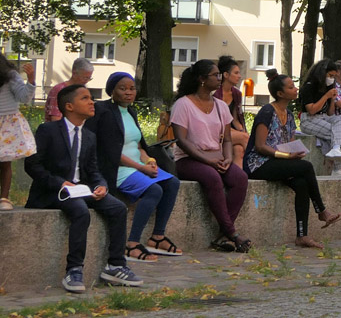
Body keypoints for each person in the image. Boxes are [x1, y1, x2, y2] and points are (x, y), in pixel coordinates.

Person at [25, 84, 143, 292]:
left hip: (81, 189)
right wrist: (60, 183)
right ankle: (74, 270)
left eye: (92, 98)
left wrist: (101, 186)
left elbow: (93, 170)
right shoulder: (48, 130)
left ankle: (115, 265)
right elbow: (32, 165)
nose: (92, 102)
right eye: (86, 98)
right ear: (69, 106)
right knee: (80, 210)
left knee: (117, 208)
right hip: (54, 191)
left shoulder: (89, 135)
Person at [89, 72, 181, 261]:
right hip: (117, 168)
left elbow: (138, 145)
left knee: (172, 183)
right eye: (122, 89)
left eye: (132, 88)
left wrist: (150, 161)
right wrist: (141, 169)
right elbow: (110, 151)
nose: (128, 93)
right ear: (111, 91)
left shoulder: (131, 112)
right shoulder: (104, 111)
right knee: (154, 190)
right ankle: (131, 244)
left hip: (138, 165)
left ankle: (157, 237)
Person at [243, 72, 341, 248]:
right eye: (291, 87)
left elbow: (288, 142)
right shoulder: (267, 111)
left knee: (302, 184)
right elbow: (260, 146)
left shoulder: (288, 114)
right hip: (258, 163)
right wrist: (287, 157)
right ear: (280, 94)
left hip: (278, 162)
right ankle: (321, 210)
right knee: (307, 167)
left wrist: (294, 153)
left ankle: (302, 235)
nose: (296, 89)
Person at [171, 59, 251, 252]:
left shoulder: (221, 106)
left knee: (240, 178)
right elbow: (182, 140)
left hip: (217, 158)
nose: (219, 78)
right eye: (215, 75)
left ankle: (222, 236)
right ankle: (232, 233)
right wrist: (208, 160)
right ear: (201, 79)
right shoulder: (183, 104)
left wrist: (228, 158)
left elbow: (228, 140)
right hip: (188, 159)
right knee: (213, 178)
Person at [0, 46, 35, 210]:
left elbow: (24, 97)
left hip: (6, 123)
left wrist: (31, 81)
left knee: (5, 162)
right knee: (4, 163)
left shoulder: (9, 76)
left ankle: (4, 198)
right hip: (1, 122)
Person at [296, 59, 341, 173]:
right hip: (309, 120)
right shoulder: (309, 87)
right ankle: (339, 168)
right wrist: (326, 96)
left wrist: (332, 99)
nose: (331, 78)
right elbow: (311, 110)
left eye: (334, 76)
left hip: (323, 117)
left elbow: (330, 113)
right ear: (322, 73)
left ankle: (337, 150)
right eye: (330, 75)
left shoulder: (328, 87)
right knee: (339, 134)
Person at [213, 55, 249, 165]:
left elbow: (235, 119)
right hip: (217, 131)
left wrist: (242, 130)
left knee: (239, 150)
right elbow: (216, 122)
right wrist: (243, 134)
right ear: (226, 75)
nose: (239, 76)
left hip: (230, 131)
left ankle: (240, 179)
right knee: (245, 138)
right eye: (236, 73)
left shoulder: (236, 93)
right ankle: (257, 166)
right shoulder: (215, 93)